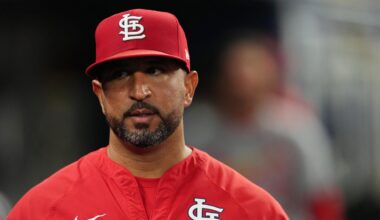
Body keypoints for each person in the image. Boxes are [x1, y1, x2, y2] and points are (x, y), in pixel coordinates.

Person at [7, 9, 288, 220]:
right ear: (100, 95)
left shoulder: (253, 210)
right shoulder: (43, 209)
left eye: (155, 71)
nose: (139, 91)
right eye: (119, 75)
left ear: (189, 87)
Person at [185, 30, 345, 220]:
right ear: (220, 76)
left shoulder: (297, 126)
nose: (242, 75)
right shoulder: (195, 128)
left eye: (251, 65)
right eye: (235, 66)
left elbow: (323, 198)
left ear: (271, 74)